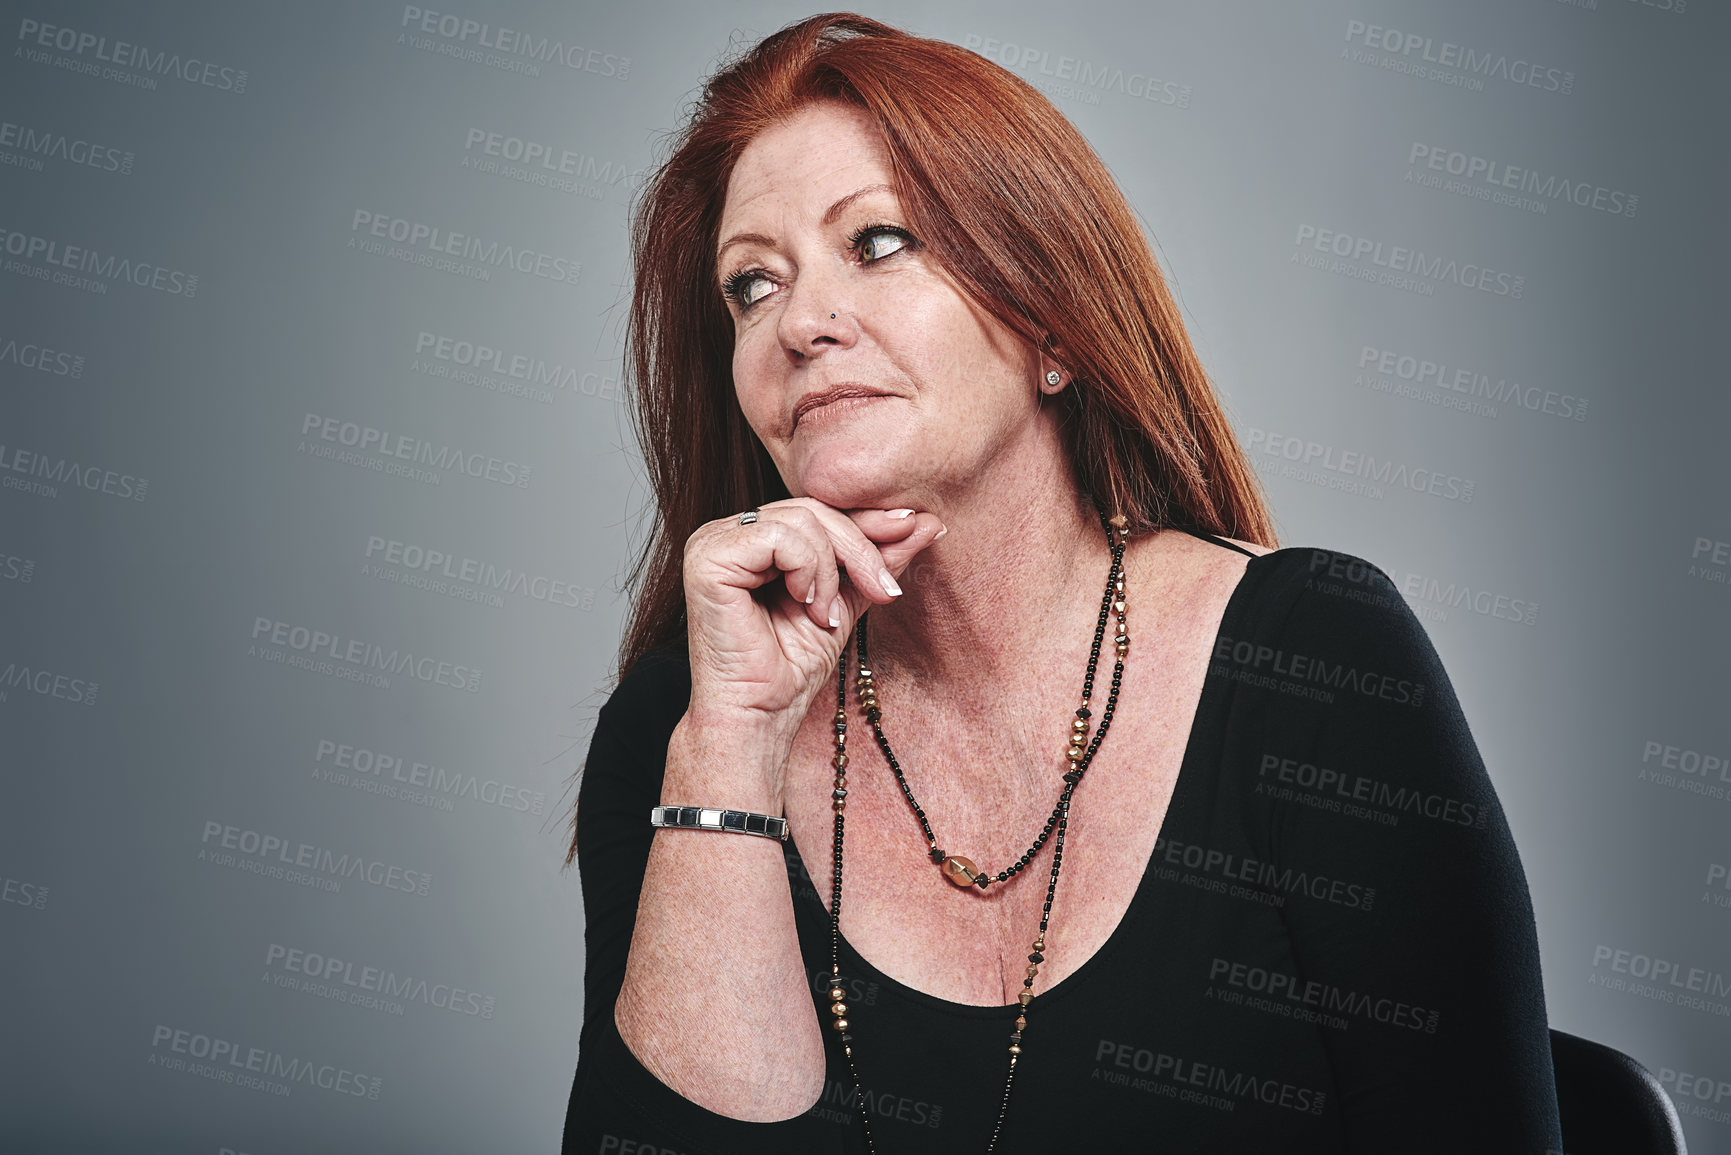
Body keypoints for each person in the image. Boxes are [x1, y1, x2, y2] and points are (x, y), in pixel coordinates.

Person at [562, 13, 1561, 1153]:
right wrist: (728, 749)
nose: (802, 322)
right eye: (752, 285)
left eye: (878, 243)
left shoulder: (1318, 669)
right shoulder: (681, 729)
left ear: (1052, 324)